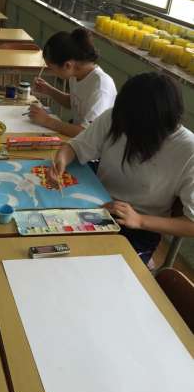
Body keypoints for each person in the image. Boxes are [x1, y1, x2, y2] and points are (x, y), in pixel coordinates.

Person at [49, 72, 194, 263]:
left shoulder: (188, 150)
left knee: (91, 267)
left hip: (138, 227)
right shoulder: (117, 117)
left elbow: (191, 224)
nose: (125, 130)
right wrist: (61, 160)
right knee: (47, 241)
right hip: (94, 204)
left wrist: (140, 220)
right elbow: (75, 146)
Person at [30, 28, 117, 137]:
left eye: (52, 68)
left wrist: (47, 120)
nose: (52, 72)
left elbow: (86, 133)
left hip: (94, 145)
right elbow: (73, 102)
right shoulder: (76, 74)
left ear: (67, 65)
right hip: (79, 139)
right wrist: (49, 90)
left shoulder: (101, 87)